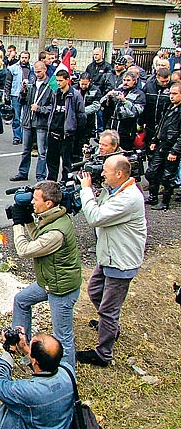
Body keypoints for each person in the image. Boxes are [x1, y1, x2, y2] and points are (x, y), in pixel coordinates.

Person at [77, 155, 147, 366]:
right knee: (95, 291)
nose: (102, 173)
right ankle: (110, 326)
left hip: (121, 260)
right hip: (109, 254)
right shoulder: (116, 190)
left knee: (108, 309)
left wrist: (86, 190)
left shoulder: (129, 198)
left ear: (119, 174)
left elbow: (96, 217)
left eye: (106, 170)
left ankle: (103, 354)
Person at [11, 180, 82, 368]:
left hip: (61, 289)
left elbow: (25, 250)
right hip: (49, 281)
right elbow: (39, 239)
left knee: (63, 337)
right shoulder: (53, 217)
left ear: (48, 203)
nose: (32, 203)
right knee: (21, 300)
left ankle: (67, 382)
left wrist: (17, 223)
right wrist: (27, 220)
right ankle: (21, 347)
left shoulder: (57, 231)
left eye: (35, 200)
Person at [0, 332, 75, 429]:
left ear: (35, 361)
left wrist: (9, 351)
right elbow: (43, 365)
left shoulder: (30, 391)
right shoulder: (68, 372)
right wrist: (24, 348)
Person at [10, 61, 52, 182]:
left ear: (45, 70)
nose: (37, 74)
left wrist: (40, 109)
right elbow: (21, 101)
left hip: (41, 123)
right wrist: (23, 91)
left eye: (39, 71)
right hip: (28, 120)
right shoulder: (31, 84)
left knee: (42, 151)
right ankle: (23, 172)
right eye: (35, 71)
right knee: (25, 150)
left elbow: (52, 107)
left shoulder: (50, 85)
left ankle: (40, 176)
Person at [144, 82, 181, 209]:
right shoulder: (169, 106)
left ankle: (165, 202)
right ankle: (153, 197)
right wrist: (154, 140)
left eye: (175, 94)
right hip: (162, 144)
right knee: (151, 172)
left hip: (172, 146)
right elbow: (160, 125)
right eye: (170, 93)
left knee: (168, 177)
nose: (171, 96)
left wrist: (175, 151)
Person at [46, 69, 86, 181]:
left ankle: (65, 182)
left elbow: (81, 115)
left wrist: (75, 130)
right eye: (57, 80)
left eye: (61, 81)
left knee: (67, 162)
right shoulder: (55, 93)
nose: (58, 83)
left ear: (67, 80)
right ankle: (51, 182)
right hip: (53, 132)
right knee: (52, 161)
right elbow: (52, 109)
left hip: (66, 134)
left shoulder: (75, 95)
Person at [100, 71, 145, 150]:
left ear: (135, 81)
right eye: (124, 80)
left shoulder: (139, 94)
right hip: (112, 126)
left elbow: (136, 112)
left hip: (127, 130)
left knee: (123, 154)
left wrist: (124, 101)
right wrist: (107, 96)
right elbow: (101, 104)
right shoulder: (117, 90)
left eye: (128, 80)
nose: (125, 83)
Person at [5, 50, 33, 147]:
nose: (24, 59)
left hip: (28, 96)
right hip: (16, 95)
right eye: (22, 57)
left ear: (28, 58)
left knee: (25, 118)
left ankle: (24, 137)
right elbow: (8, 83)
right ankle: (17, 137)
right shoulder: (12, 68)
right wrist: (7, 96)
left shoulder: (32, 69)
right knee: (16, 117)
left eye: (26, 58)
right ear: (19, 57)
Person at [74, 73, 102, 157]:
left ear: (89, 82)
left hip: (88, 121)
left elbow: (96, 105)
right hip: (75, 121)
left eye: (85, 84)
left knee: (84, 143)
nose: (83, 86)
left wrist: (81, 111)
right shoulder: (74, 89)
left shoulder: (95, 90)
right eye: (82, 84)